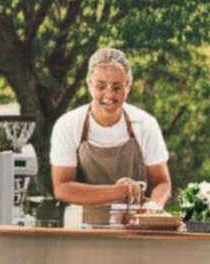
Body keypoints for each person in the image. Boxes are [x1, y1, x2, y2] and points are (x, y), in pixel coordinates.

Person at [50, 48, 172, 225]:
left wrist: (152, 209)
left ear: (128, 85)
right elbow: (62, 188)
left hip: (135, 229)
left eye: (116, 87)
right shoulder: (68, 125)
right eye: (101, 86)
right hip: (84, 230)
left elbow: (162, 183)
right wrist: (121, 191)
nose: (109, 94)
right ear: (89, 83)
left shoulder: (145, 124)